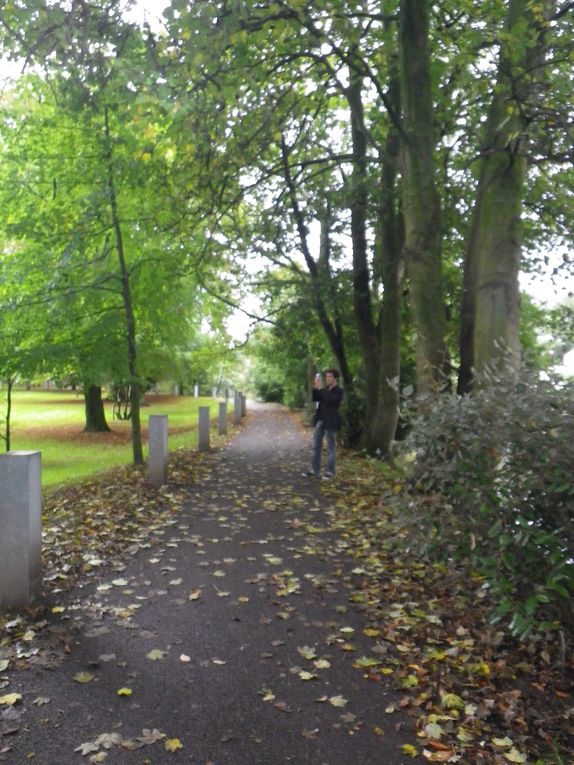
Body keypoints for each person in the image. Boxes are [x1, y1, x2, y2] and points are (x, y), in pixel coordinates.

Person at [304, 368, 343, 479]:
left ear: (335, 378)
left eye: (330, 376)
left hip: (331, 421)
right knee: (316, 446)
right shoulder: (325, 389)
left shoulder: (338, 391)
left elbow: (330, 400)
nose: (327, 378)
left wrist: (321, 389)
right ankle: (314, 470)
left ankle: (330, 472)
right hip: (320, 420)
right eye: (326, 376)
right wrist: (316, 388)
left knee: (331, 447)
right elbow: (316, 398)